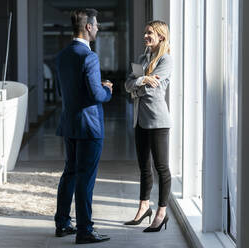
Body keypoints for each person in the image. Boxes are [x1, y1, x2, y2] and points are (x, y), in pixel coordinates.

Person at [53, 8, 113, 244]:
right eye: (96, 24)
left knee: (69, 173)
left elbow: (64, 91)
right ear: (88, 27)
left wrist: (94, 86)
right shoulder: (89, 56)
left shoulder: (63, 55)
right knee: (85, 179)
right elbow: (97, 95)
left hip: (69, 123)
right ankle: (85, 230)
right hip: (89, 126)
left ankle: (62, 223)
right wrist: (107, 89)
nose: (97, 28)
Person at [124, 20, 172, 232]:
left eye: (149, 33)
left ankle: (161, 212)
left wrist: (137, 85)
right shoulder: (143, 59)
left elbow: (153, 91)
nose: (145, 35)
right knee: (144, 167)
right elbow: (127, 85)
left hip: (157, 121)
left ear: (161, 36)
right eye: (145, 32)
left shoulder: (165, 60)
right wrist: (143, 80)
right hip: (140, 120)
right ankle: (144, 206)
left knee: (161, 167)